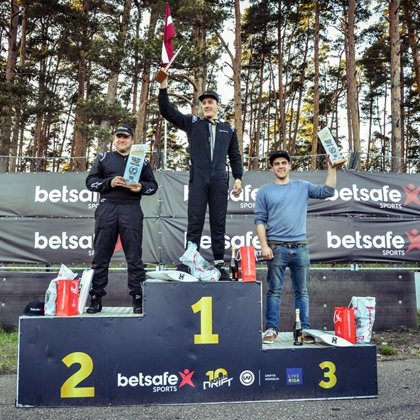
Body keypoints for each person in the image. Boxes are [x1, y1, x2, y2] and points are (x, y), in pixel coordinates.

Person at [157, 76, 243, 280]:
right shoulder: (193, 123)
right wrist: (163, 87)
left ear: (218, 105)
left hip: (219, 182)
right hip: (198, 180)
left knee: (218, 223)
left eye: (210, 102)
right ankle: (188, 261)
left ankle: (219, 265)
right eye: (204, 103)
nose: (207, 105)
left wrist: (238, 178)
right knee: (194, 221)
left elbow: (235, 156)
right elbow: (167, 111)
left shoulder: (228, 129)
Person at [255, 150, 337, 344]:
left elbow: (328, 191)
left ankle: (304, 330)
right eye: (276, 164)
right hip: (276, 248)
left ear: (290, 165)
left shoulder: (302, 186)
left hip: (300, 247)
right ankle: (271, 329)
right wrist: (264, 246)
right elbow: (259, 220)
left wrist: (332, 169)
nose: (281, 166)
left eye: (284, 163)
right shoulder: (264, 191)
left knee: (302, 291)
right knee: (274, 291)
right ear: (271, 168)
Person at [85, 124, 158, 314]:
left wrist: (141, 187)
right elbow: (90, 182)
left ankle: (138, 298)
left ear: (132, 140)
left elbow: (153, 186)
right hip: (107, 207)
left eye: (125, 137)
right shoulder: (103, 158)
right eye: (118, 136)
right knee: (101, 256)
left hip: (131, 208)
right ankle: (96, 298)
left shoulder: (140, 161)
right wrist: (110, 182)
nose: (121, 140)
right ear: (114, 139)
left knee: (134, 257)